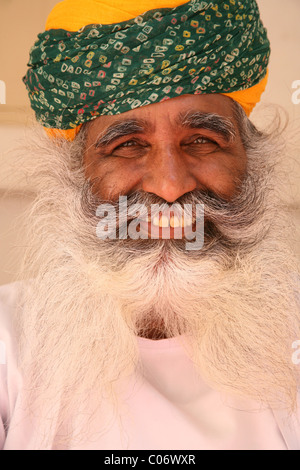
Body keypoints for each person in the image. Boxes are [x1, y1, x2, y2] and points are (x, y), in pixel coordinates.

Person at [0, 0, 300, 450]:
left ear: (253, 163)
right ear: (74, 174)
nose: (171, 186)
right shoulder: (7, 341)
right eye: (127, 145)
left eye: (202, 140)